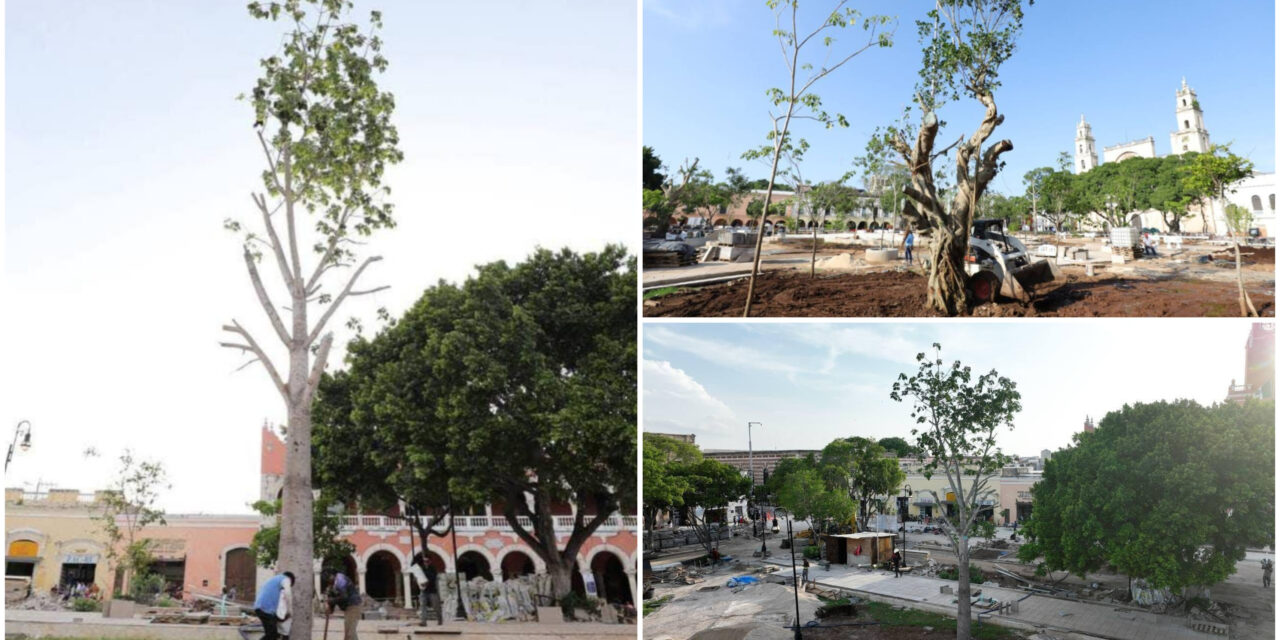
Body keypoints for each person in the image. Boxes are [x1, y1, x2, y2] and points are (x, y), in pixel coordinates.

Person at [253, 571, 294, 640]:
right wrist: (290, 610)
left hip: (260, 607)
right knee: (272, 634)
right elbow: (288, 594)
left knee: (271, 634)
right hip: (265, 609)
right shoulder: (286, 579)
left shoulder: (274, 580)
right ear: (291, 579)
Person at [326, 572, 363, 640]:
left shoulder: (340, 579)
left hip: (353, 606)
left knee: (350, 634)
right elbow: (334, 598)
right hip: (348, 608)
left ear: (332, 575)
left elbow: (344, 596)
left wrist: (332, 600)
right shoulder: (333, 584)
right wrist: (330, 608)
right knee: (348, 634)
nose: (328, 582)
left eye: (328, 580)